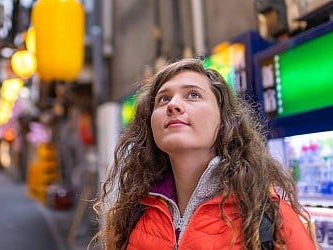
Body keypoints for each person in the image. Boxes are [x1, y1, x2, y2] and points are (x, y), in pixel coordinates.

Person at [92, 58, 316, 249]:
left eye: (193, 95)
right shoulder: (133, 214)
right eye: (163, 99)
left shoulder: (269, 218)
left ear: (224, 121)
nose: (173, 105)